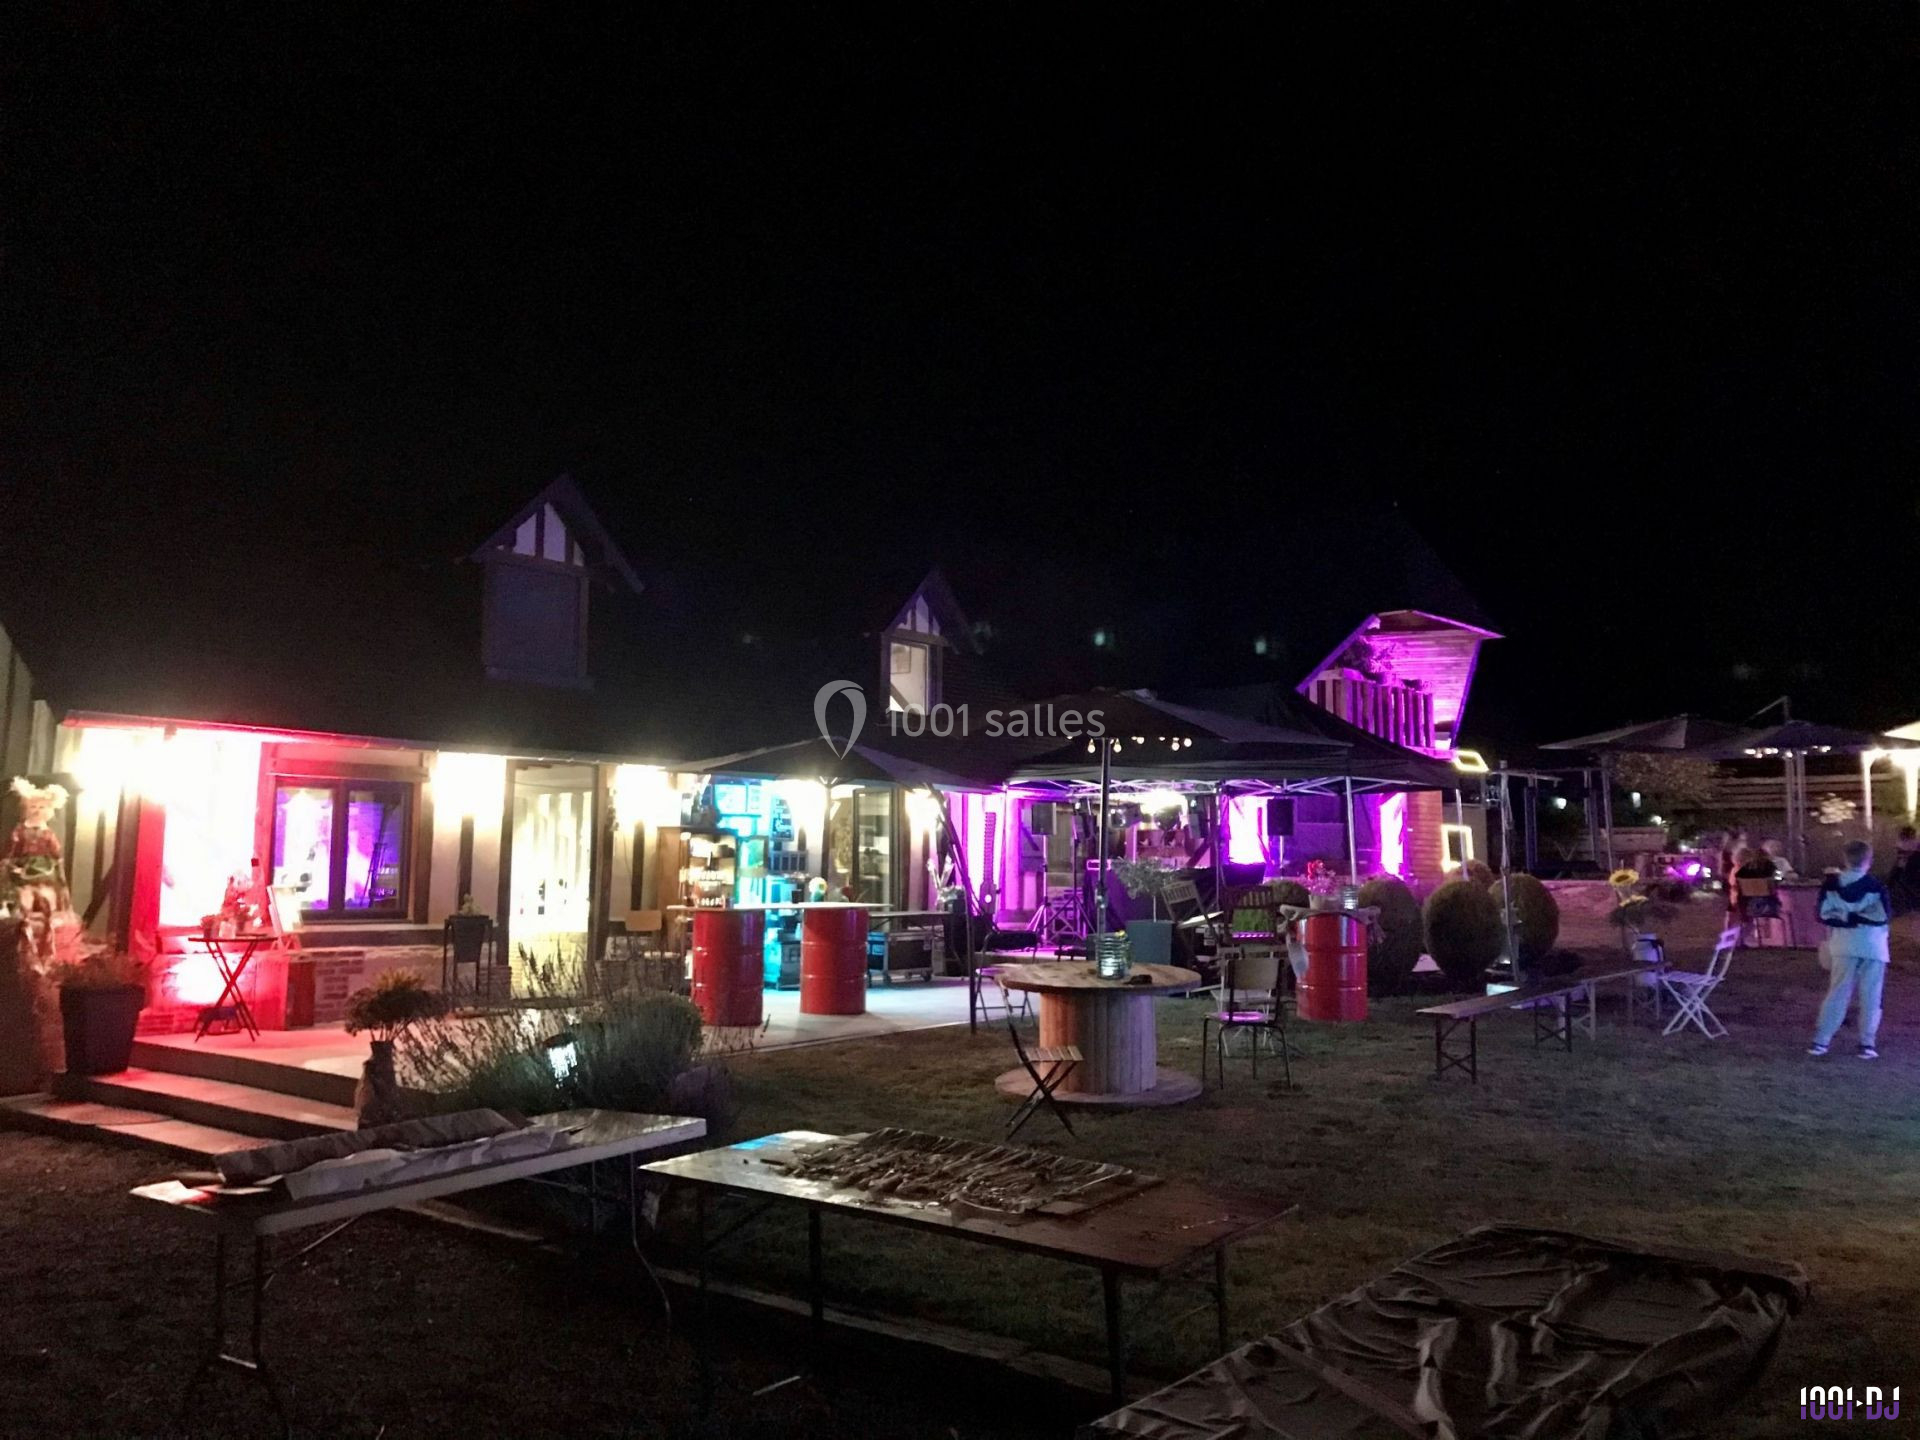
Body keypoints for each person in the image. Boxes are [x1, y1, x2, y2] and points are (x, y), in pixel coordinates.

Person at [1809, 839, 1890, 1059]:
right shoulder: (1876, 886)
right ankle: (1867, 1043)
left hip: (1843, 945)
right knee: (1871, 996)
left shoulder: (1831, 886)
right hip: (1873, 946)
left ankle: (1821, 1040)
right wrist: (1860, 917)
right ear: (1869, 860)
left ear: (1845, 859)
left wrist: (1845, 916)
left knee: (1837, 993)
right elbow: (1882, 916)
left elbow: (1822, 914)